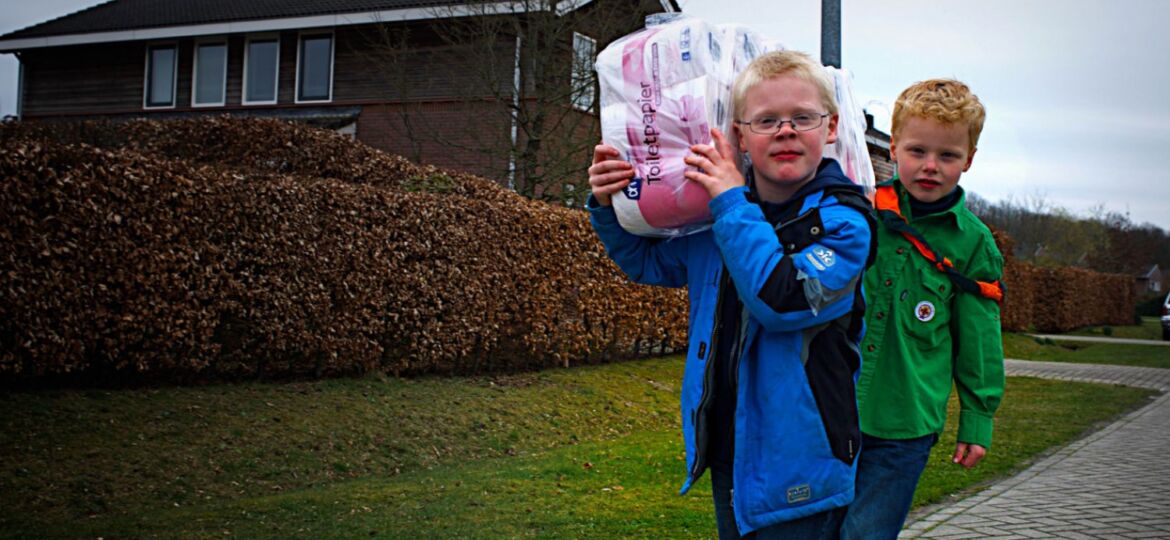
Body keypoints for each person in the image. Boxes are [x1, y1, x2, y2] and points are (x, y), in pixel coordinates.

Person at [587, 50, 873, 539]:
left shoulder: (845, 222)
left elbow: (785, 301)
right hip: (731, 451)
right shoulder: (721, 215)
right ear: (739, 134)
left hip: (800, 459)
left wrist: (729, 202)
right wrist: (605, 202)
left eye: (802, 117)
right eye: (767, 120)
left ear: (830, 128)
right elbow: (647, 261)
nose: (785, 130)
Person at [838, 79, 1006, 540]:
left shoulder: (974, 244)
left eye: (948, 156)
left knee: (865, 534)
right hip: (829, 410)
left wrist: (978, 418)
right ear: (892, 147)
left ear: (968, 160)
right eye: (917, 151)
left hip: (904, 423)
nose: (930, 166)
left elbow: (980, 341)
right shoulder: (857, 212)